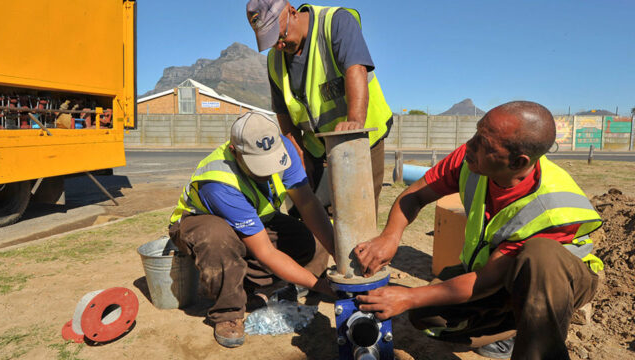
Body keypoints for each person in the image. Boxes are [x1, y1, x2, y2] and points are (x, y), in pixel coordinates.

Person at [353, 101, 604, 359]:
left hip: (562, 278)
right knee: (427, 315)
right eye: (476, 133)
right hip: (497, 272)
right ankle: (518, 324)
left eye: (484, 143)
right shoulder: (472, 159)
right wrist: (389, 237)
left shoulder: (551, 210)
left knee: (540, 256)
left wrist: (408, 296)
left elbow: (485, 282)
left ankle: (538, 336)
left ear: (518, 162)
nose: (469, 145)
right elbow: (414, 196)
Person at [168, 111, 336, 348]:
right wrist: (320, 286)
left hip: (253, 220)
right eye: (259, 166)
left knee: (312, 241)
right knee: (218, 241)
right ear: (235, 152)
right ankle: (228, 312)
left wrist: (338, 253)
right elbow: (265, 252)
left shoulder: (284, 147)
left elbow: (307, 202)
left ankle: (258, 286)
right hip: (202, 223)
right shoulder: (218, 182)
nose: (268, 172)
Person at [245, 0, 393, 211]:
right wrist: (299, 156)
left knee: (358, 211)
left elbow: (356, 69)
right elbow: (284, 114)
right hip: (317, 146)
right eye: (271, 41)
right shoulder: (275, 60)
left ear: (293, 13)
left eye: (280, 36)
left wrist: (354, 122)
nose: (278, 46)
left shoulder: (335, 22)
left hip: (362, 139)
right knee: (319, 212)